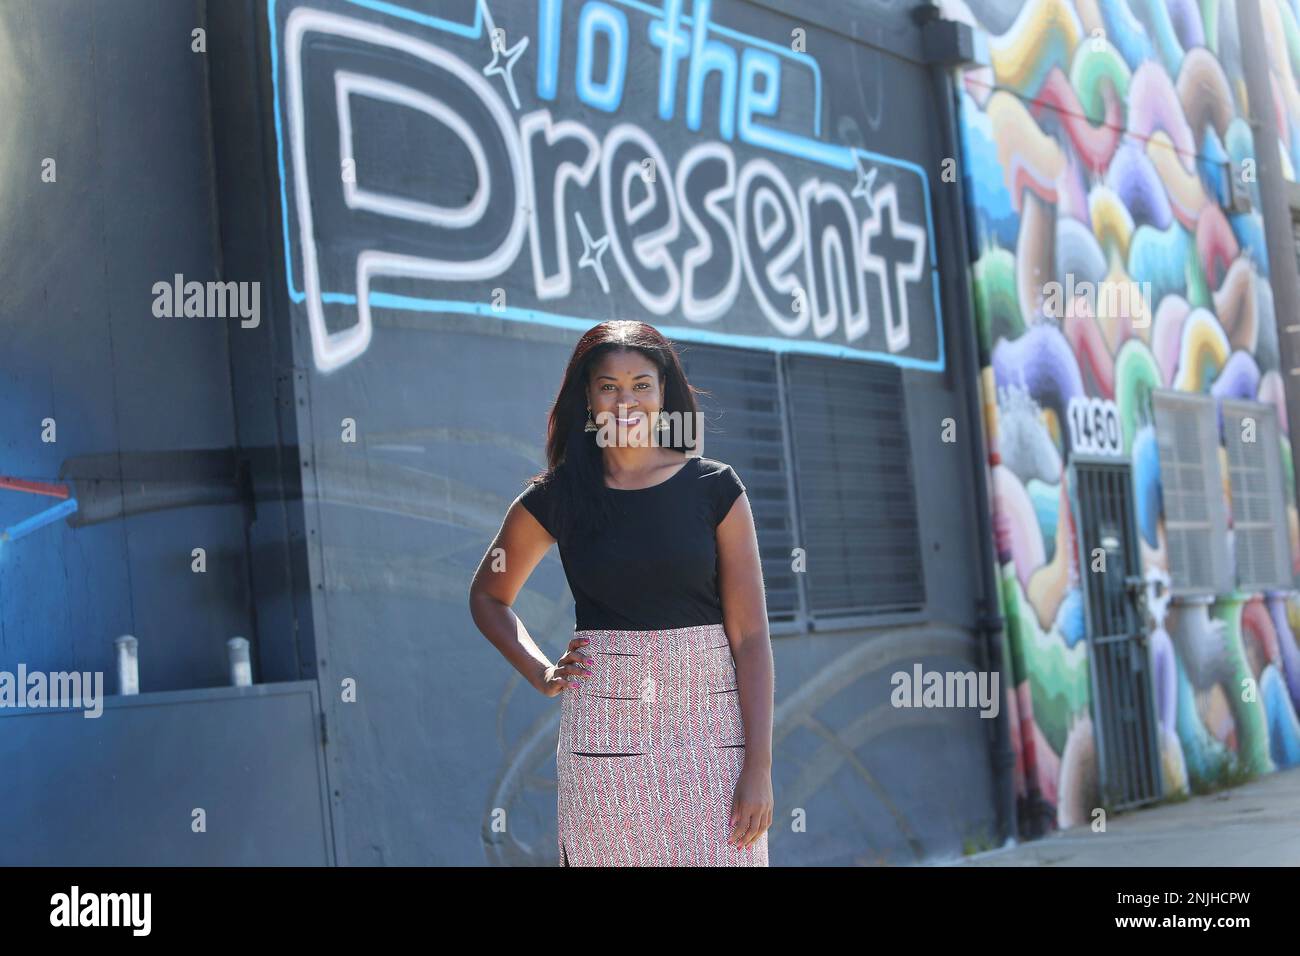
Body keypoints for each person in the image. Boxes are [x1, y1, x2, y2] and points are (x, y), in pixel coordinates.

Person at [468, 320, 774, 866]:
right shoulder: (557, 498)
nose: (625, 401)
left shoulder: (715, 488)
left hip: (712, 738)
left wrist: (759, 768)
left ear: (663, 395)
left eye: (641, 385)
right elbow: (489, 596)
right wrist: (541, 671)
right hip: (603, 741)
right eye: (608, 386)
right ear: (586, 396)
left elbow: (750, 638)